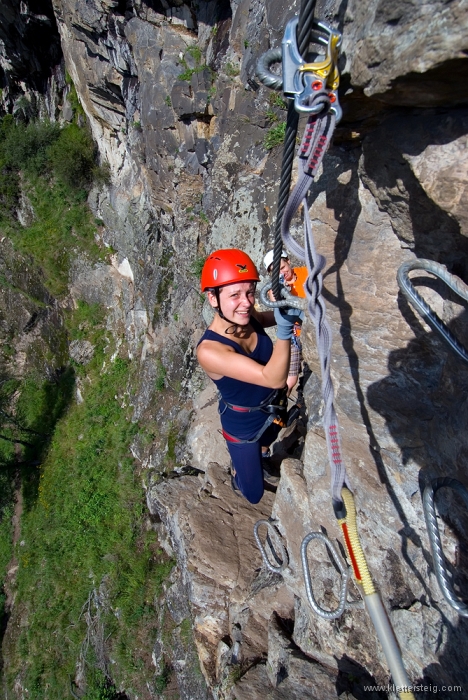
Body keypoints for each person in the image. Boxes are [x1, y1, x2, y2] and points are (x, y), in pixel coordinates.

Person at [197, 249, 302, 504]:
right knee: (253, 494)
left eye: (249, 292)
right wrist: (285, 332)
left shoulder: (244, 315)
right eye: (234, 295)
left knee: (269, 439)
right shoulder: (209, 351)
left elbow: (264, 318)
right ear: (213, 298)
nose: (246, 302)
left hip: (272, 407)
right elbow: (274, 378)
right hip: (243, 426)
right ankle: (237, 471)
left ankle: (263, 452)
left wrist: (292, 311)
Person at [263, 249, 307, 395]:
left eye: (282, 267)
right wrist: (280, 294)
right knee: (290, 379)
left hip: (309, 329)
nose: (282, 273)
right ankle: (281, 404)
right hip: (294, 335)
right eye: (276, 272)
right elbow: (274, 301)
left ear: (288, 261)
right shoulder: (276, 288)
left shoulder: (306, 274)